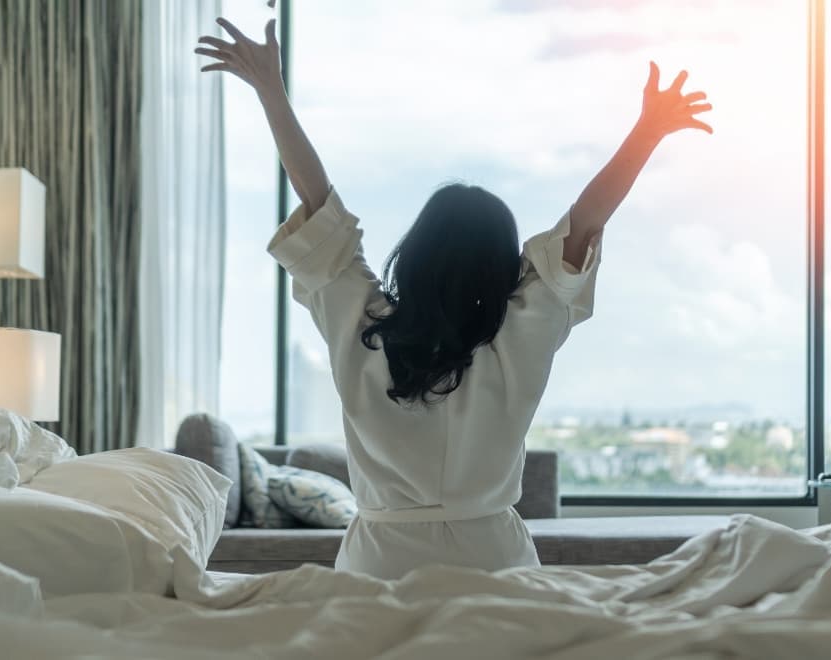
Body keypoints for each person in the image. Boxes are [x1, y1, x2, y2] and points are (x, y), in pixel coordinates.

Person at [196, 17, 712, 580]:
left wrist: (271, 91)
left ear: (414, 253)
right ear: (500, 265)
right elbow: (583, 225)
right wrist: (647, 132)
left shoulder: (361, 323)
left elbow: (318, 203)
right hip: (495, 564)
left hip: (377, 568)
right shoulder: (522, 332)